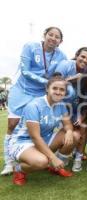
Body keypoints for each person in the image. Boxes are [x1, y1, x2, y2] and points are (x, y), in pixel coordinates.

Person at [2, 26, 67, 175]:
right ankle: (9, 163)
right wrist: (48, 83)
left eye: (57, 37)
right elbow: (25, 71)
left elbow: (62, 73)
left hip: (41, 92)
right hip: (23, 90)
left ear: (60, 41)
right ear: (44, 35)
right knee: (13, 124)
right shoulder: (30, 46)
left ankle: (39, 154)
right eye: (51, 34)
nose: (53, 38)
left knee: (38, 123)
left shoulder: (61, 55)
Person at [8, 75, 80, 185]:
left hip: (44, 138)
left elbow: (68, 124)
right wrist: (52, 158)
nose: (58, 92)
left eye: (62, 90)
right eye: (55, 88)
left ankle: (57, 167)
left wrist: (69, 131)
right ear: (47, 89)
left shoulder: (61, 105)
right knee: (41, 162)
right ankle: (18, 169)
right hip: (23, 141)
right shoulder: (34, 105)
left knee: (75, 135)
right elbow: (35, 137)